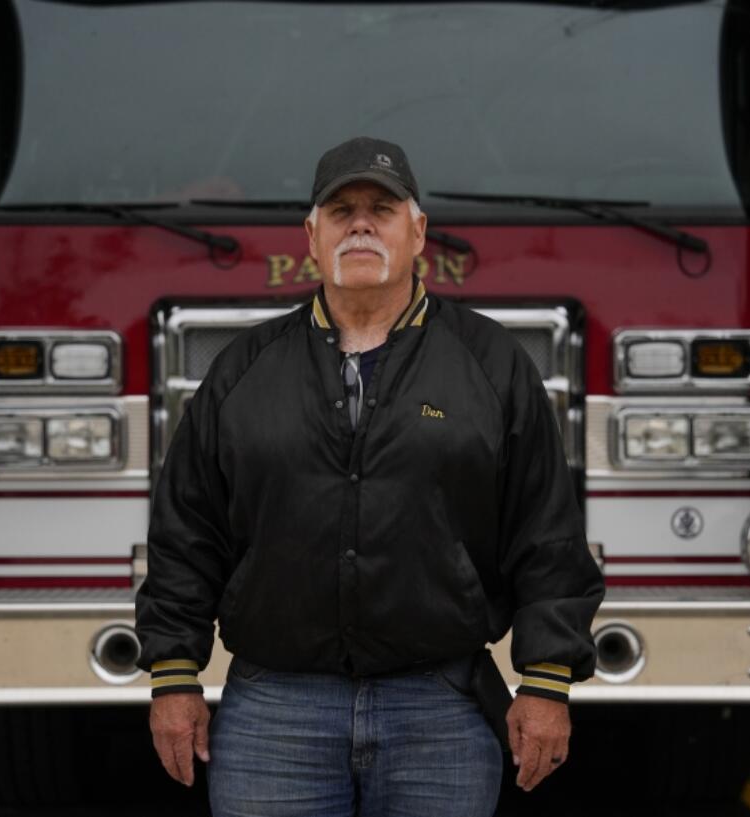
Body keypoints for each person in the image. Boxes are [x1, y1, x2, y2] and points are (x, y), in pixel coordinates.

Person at [135, 136, 604, 816]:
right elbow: (187, 532)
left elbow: (547, 531)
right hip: (274, 712)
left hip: (440, 708)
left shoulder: (491, 364)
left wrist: (546, 680)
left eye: (381, 209)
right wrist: (173, 676)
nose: (360, 223)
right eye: (340, 210)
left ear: (417, 233)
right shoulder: (244, 369)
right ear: (312, 237)